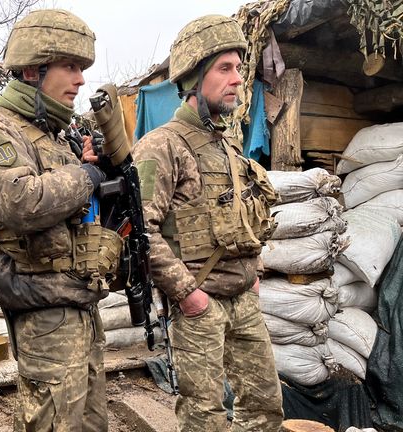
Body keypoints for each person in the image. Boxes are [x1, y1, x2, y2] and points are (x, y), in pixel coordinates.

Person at [0, 9, 122, 432]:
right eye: (71, 66)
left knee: (90, 423)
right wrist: (83, 176)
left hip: (80, 304)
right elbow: (17, 201)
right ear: (33, 70)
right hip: (45, 314)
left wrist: (92, 169)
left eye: (82, 68)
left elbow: (72, 210)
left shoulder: (55, 136)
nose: (81, 79)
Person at [131, 14, 284, 431]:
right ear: (195, 78)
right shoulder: (161, 146)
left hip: (243, 299)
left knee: (266, 409)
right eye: (225, 68)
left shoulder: (229, 148)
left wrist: (254, 276)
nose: (237, 78)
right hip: (199, 308)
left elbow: (245, 218)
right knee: (205, 421)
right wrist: (187, 295)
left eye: (239, 68)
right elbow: (139, 232)